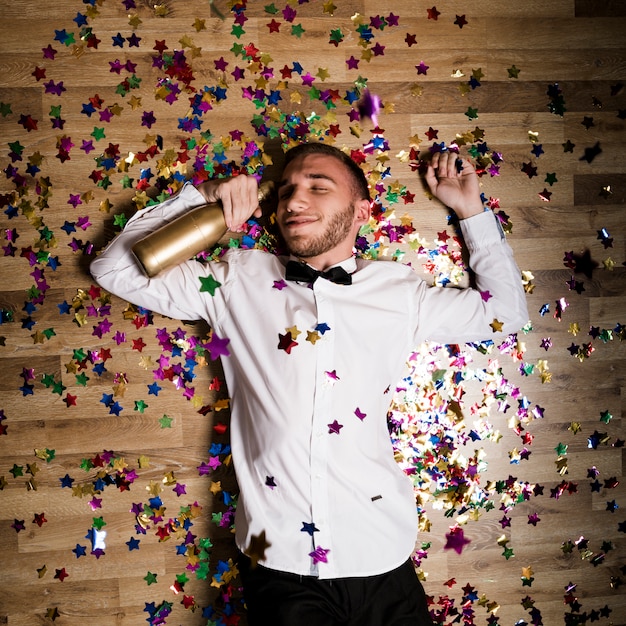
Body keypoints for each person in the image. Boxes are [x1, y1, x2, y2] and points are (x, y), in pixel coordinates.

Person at [91, 142, 528, 625]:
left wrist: (470, 209)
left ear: (362, 210)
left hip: (383, 557)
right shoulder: (236, 280)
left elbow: (503, 313)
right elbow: (112, 269)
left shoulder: (401, 294)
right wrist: (206, 197)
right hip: (279, 563)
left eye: (318, 187)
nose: (294, 201)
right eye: (286, 193)